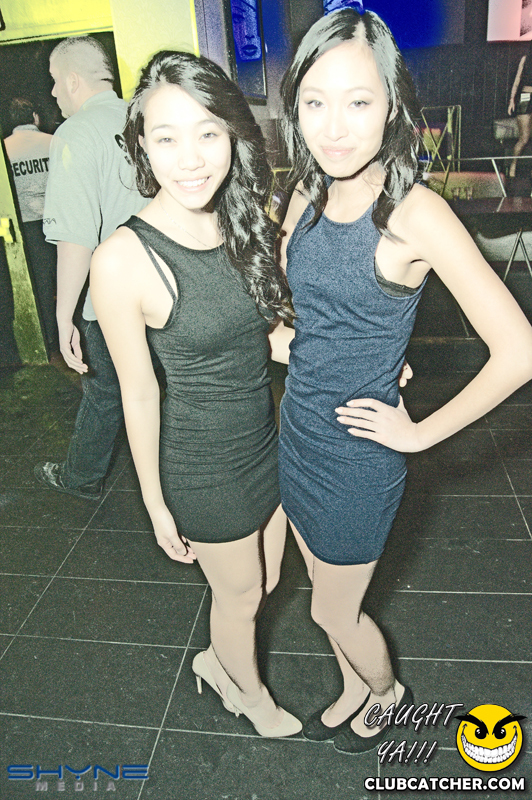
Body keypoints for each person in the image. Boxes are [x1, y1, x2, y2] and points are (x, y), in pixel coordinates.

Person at [275, 8, 532, 754]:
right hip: (298, 430)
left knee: (332, 610)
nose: (333, 127)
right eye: (315, 101)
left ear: (391, 105)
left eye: (358, 101)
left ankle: (387, 695)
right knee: (324, 591)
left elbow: (519, 351)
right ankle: (353, 687)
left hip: (360, 454)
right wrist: (300, 341)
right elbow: (298, 298)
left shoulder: (416, 213)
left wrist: (419, 433)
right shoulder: (306, 191)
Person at [90, 50, 301, 738]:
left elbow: (267, 339)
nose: (190, 159)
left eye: (208, 133)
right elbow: (139, 392)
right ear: (142, 145)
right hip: (202, 465)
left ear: (233, 135)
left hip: (264, 439)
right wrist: (155, 502)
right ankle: (249, 696)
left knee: (267, 581)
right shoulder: (122, 259)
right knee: (240, 594)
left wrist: (361, 364)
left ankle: (216, 660)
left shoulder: (240, 220)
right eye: (167, 137)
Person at [34, 36, 148, 500]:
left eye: (55, 82)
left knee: (105, 390)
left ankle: (81, 477)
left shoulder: (76, 133)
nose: (53, 93)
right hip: (169, 287)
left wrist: (64, 317)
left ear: (73, 80)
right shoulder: (145, 118)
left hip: (112, 300)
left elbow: (76, 238)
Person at [4, 97, 58, 353]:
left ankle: (50, 339)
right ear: (35, 116)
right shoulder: (53, 142)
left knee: (42, 286)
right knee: (72, 281)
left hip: (26, 228)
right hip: (59, 222)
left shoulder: (5, 150)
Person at [507, 39, 532, 186]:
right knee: (524, 138)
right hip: (526, 96)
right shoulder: (525, 59)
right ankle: (513, 165)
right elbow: (517, 79)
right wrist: (512, 99)